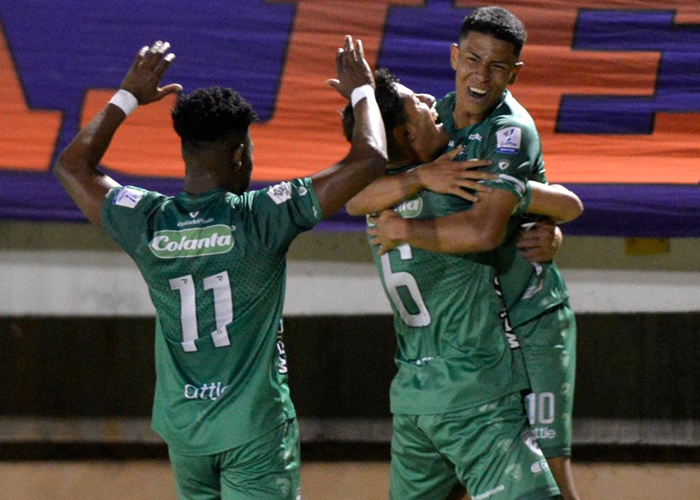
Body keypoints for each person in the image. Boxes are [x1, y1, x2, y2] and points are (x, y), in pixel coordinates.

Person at [54, 37, 387, 500]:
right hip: (253, 430)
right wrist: (363, 90)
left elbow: (73, 166)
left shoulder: (146, 220)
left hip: (186, 430)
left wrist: (127, 95)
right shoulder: (261, 218)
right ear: (238, 153)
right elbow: (370, 157)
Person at [348, 6, 582, 500]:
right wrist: (413, 173)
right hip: (471, 339)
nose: (481, 75)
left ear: (514, 73)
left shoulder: (509, 130)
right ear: (454, 57)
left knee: (548, 467)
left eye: (497, 66)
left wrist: (404, 228)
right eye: (473, 60)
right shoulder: (437, 122)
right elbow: (352, 197)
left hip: (528, 316)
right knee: (466, 474)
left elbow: (490, 228)